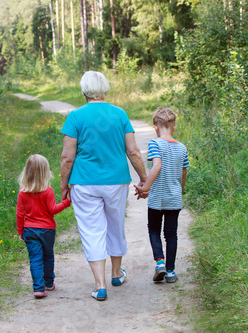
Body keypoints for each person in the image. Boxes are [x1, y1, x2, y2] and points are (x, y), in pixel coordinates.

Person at [60, 71, 148, 301]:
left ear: (83, 91)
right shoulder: (120, 114)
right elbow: (133, 151)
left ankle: (100, 285)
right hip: (115, 181)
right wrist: (143, 179)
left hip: (84, 182)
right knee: (115, 225)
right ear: (105, 89)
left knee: (92, 231)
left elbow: (67, 157)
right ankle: (117, 274)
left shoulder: (75, 116)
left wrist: (63, 184)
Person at [134, 107, 189, 283]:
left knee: (154, 230)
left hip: (157, 198)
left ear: (155, 127)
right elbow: (183, 173)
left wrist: (145, 188)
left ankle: (160, 263)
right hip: (174, 198)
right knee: (171, 234)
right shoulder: (182, 147)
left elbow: (156, 166)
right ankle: (171, 271)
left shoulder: (155, 143)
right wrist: (179, 191)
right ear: (174, 127)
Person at [16, 154, 71, 298]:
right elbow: (53, 210)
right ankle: (48, 283)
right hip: (47, 230)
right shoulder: (48, 191)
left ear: (26, 171)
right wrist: (67, 202)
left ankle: (38, 288)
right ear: (45, 172)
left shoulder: (23, 191)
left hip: (29, 230)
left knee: (35, 258)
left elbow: (20, 214)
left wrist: (20, 231)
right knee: (47, 256)